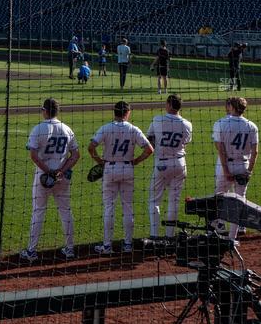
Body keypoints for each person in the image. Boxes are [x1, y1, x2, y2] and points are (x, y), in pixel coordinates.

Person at [88, 101, 153, 254]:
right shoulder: (133, 129)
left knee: (109, 207)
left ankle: (107, 246)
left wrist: (100, 161)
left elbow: (91, 147)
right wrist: (136, 161)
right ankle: (128, 244)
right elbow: (149, 149)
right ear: (127, 113)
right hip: (127, 168)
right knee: (128, 207)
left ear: (114, 112)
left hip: (110, 168)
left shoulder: (106, 128)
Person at [21, 98, 80, 262]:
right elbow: (76, 155)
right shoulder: (67, 129)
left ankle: (32, 251)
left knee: (38, 211)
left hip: (43, 178)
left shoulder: (38, 129)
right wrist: (61, 171)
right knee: (66, 211)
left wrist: (49, 172)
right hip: (62, 177)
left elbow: (33, 155)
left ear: (45, 111)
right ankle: (70, 249)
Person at [146, 94, 192, 245]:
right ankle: (170, 236)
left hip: (162, 163)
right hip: (179, 163)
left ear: (169, 105)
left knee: (154, 200)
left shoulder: (157, 119)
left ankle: (154, 235)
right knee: (174, 200)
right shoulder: (187, 124)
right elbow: (185, 142)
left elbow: (150, 140)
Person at [211, 97, 259, 241]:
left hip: (225, 164)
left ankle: (219, 228)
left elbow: (220, 149)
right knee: (239, 201)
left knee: (220, 197)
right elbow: (255, 152)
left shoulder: (221, 123)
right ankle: (233, 237)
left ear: (231, 107)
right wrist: (249, 171)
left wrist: (226, 170)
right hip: (243, 165)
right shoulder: (252, 126)